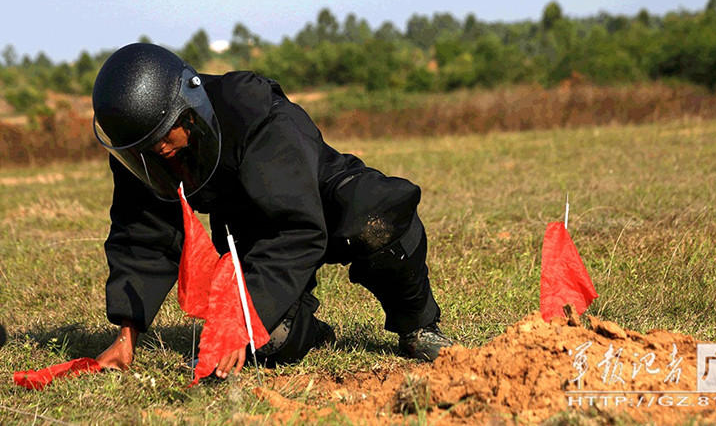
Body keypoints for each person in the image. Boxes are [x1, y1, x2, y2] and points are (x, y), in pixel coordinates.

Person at [92, 43, 452, 378]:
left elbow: (298, 229)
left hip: (322, 201)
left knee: (376, 219)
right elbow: (141, 233)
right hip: (251, 230)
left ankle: (418, 327)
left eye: (163, 135)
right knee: (271, 339)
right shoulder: (144, 147)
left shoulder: (252, 110)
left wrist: (240, 319)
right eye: (146, 146)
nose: (159, 149)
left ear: (187, 108)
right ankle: (310, 331)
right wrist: (126, 336)